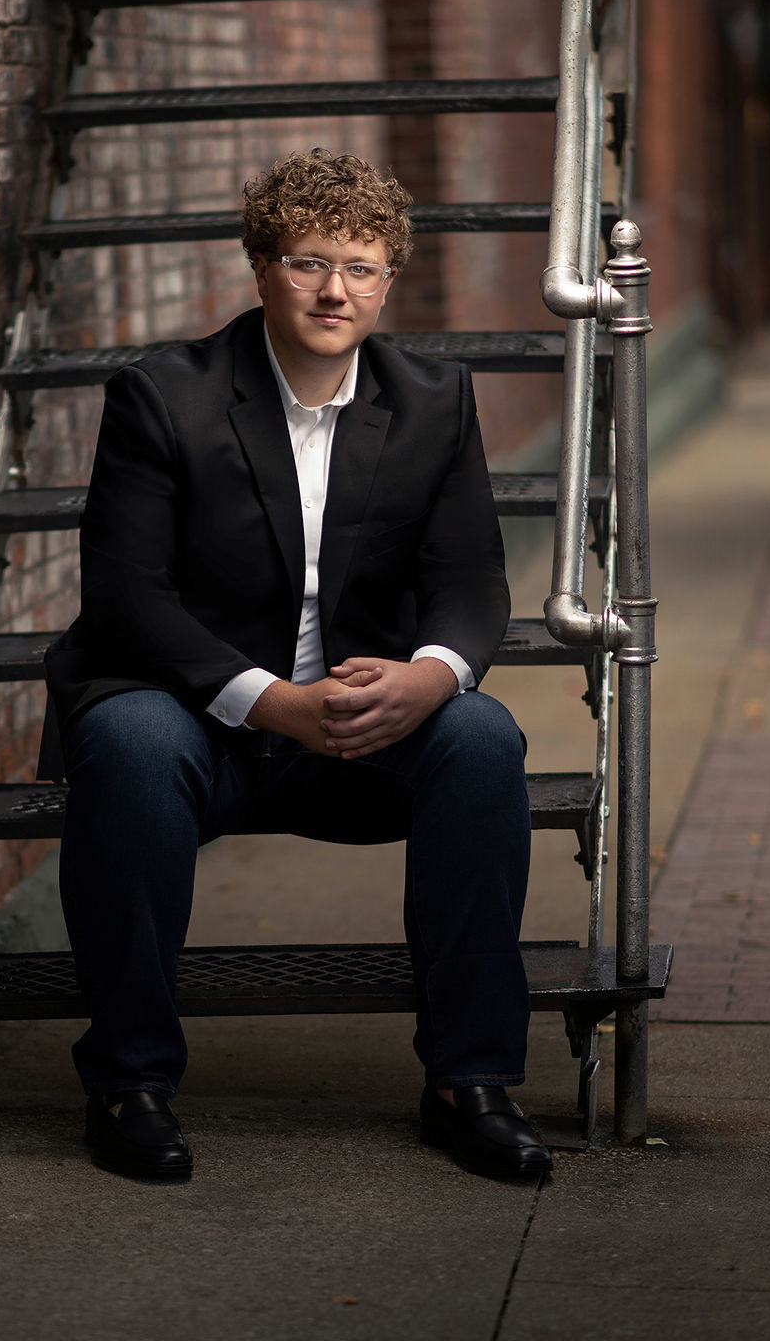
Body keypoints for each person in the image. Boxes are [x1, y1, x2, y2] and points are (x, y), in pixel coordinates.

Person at [41, 147, 552, 1182]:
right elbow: (129, 596)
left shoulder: (432, 400)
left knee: (482, 738)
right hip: (203, 719)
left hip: (362, 725)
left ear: (388, 281)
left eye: (361, 267)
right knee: (125, 741)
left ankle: (470, 1081)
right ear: (261, 269)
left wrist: (434, 674)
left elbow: (469, 580)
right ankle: (129, 1081)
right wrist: (267, 701)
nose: (334, 290)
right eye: (310, 262)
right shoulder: (163, 397)